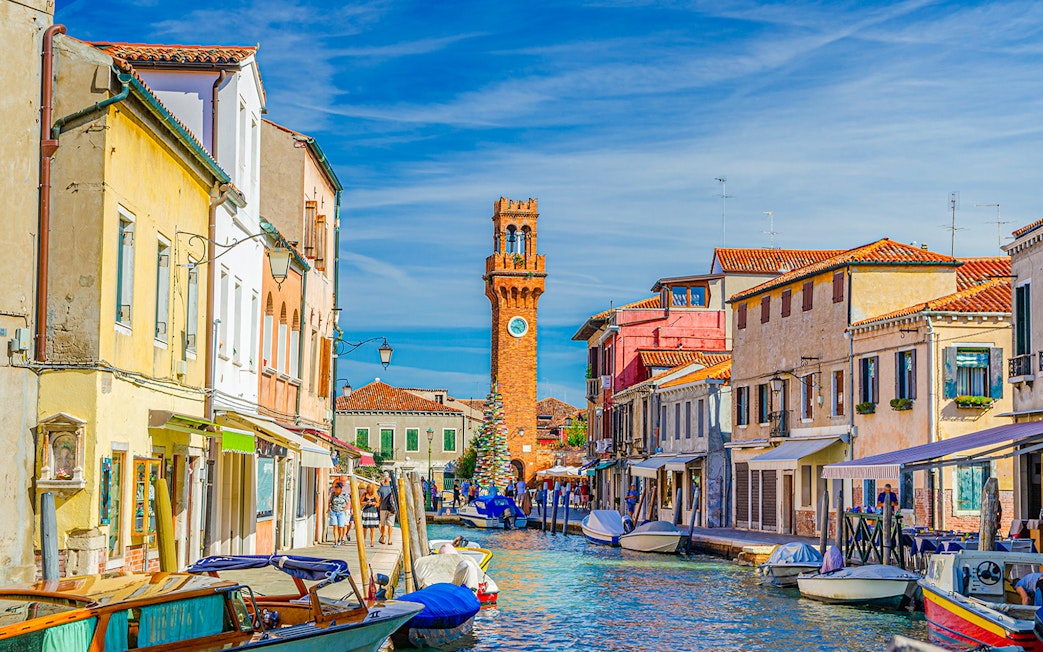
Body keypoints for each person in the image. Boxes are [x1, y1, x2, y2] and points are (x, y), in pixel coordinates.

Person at [328, 482, 350, 547]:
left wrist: (344, 510)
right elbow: (329, 502)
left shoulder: (344, 495)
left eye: (337, 487)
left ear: (340, 488)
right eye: (335, 487)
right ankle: (335, 541)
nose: (335, 488)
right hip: (333, 511)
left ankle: (340, 538)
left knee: (341, 527)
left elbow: (348, 503)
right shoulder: (333, 494)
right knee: (335, 526)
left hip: (341, 512)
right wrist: (329, 507)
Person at [378, 476, 396, 545]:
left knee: (383, 524)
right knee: (390, 525)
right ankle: (389, 540)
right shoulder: (393, 489)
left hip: (383, 507)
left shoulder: (381, 489)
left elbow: (379, 498)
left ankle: (383, 538)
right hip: (391, 508)